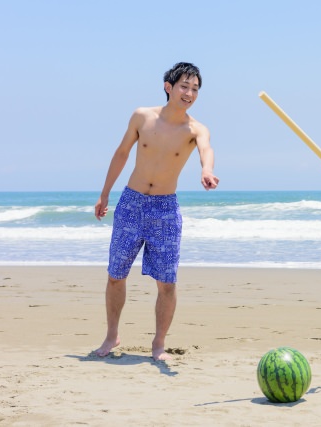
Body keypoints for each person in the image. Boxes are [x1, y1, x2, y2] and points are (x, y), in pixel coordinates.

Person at [93, 62, 219, 361]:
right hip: (131, 203)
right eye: (184, 86)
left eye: (195, 89)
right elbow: (122, 153)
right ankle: (112, 336)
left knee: (167, 282)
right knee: (116, 275)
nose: (189, 93)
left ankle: (159, 345)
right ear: (169, 87)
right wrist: (104, 193)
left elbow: (206, 149)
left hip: (165, 209)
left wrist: (207, 170)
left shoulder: (196, 129)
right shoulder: (142, 116)